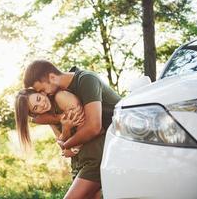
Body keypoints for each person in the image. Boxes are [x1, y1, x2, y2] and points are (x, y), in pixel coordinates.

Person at [23, 60, 121, 199]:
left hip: (113, 143)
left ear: (52, 77)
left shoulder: (86, 80)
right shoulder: (61, 94)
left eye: (41, 91)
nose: (43, 96)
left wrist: (68, 146)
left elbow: (94, 128)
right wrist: (61, 126)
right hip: (94, 151)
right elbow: (37, 119)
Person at [15, 88, 104, 199]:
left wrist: (73, 147)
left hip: (91, 155)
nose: (41, 105)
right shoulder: (48, 117)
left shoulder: (62, 97)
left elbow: (88, 131)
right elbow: (64, 148)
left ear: (42, 93)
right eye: (35, 107)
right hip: (78, 163)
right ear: (34, 113)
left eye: (38, 99)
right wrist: (66, 128)